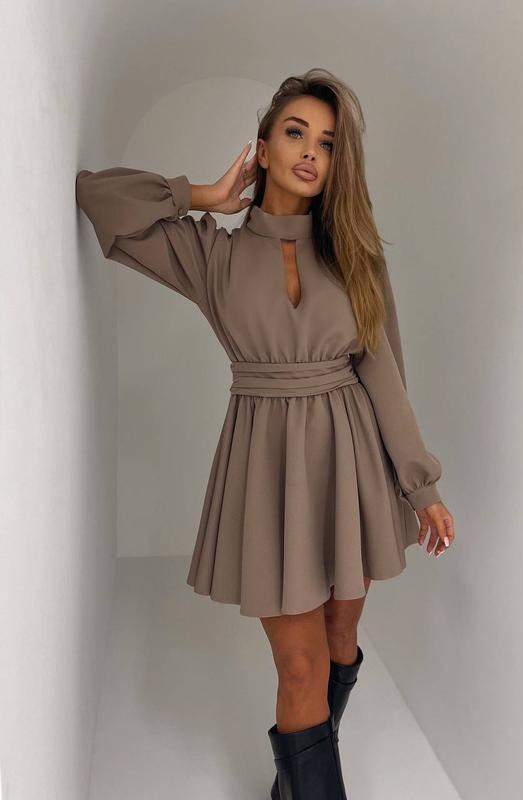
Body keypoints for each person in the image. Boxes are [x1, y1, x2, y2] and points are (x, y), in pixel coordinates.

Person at [75, 67, 456, 800]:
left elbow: (384, 375)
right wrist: (205, 196)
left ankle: (295, 788)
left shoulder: (355, 255)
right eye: (295, 132)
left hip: (352, 465)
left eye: (328, 143)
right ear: (263, 145)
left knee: (339, 642)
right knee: (300, 664)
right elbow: (99, 196)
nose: (311, 151)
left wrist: (422, 486)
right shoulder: (213, 255)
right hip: (268, 467)